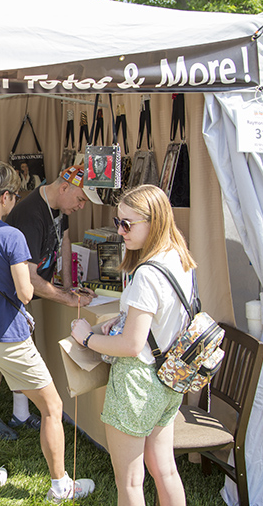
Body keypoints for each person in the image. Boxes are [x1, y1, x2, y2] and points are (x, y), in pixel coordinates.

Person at [0, 161, 95, 502]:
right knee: (52, 408)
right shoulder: (12, 235)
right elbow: (26, 292)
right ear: (6, 196)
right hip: (8, 336)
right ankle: (61, 485)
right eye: (14, 196)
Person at [70, 184, 194, 506]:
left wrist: (86, 336)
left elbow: (130, 345)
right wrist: (123, 317)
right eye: (118, 221)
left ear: (154, 222)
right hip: (169, 378)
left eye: (128, 224)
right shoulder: (178, 258)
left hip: (137, 384)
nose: (120, 231)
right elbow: (162, 320)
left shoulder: (146, 275)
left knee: (130, 482)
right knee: (165, 469)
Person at [0, 165, 100, 440]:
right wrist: (66, 297)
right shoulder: (31, 213)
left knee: (19, 347)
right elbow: (28, 278)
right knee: (0, 354)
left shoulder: (59, 208)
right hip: (5, 293)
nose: (81, 206)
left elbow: (64, 239)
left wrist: (66, 283)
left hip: (22, 294)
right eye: (80, 199)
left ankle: (20, 414)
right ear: (64, 187)